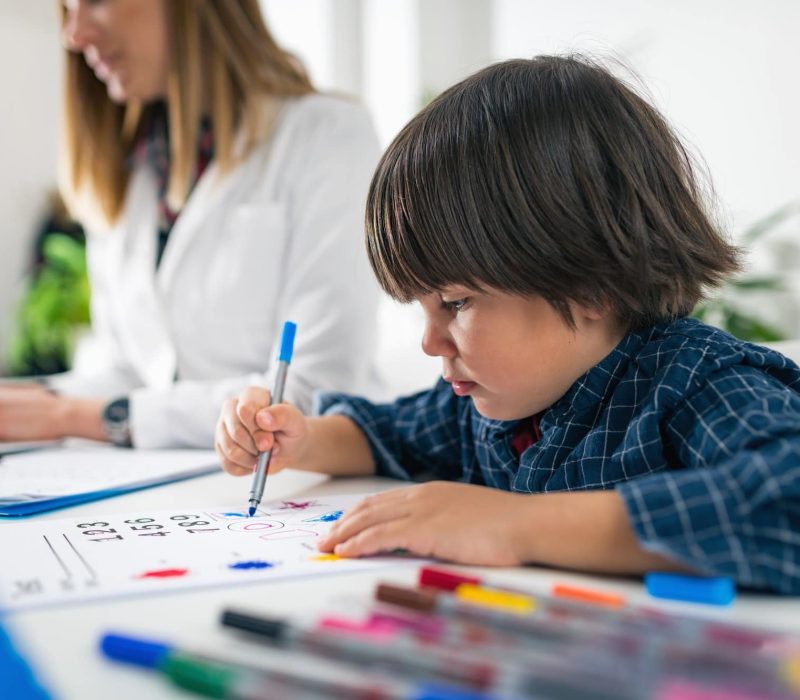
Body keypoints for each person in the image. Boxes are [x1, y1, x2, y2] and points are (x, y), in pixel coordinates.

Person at [215, 56, 800, 595]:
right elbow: (389, 433)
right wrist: (300, 438)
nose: (429, 341)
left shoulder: (695, 383)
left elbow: (786, 497)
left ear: (587, 282)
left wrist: (515, 525)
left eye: (456, 303)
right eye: (420, 308)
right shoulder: (500, 400)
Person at [0, 0, 381, 448]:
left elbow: (315, 392)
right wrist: (39, 401)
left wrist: (72, 415)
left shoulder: (328, 135)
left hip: (296, 488)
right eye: (67, 8)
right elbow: (134, 370)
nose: (75, 34)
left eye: (95, 1)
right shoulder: (130, 166)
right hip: (164, 484)